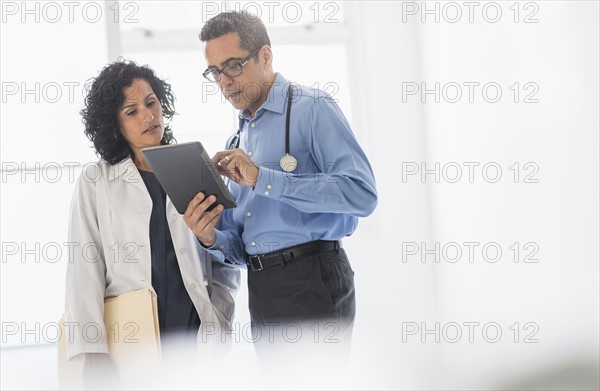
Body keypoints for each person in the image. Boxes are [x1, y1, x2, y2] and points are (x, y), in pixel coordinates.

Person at [184, 10, 377, 358]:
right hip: (263, 289)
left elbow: (361, 195)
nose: (224, 81)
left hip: (312, 276)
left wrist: (264, 178)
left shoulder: (312, 108)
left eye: (232, 65)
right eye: (214, 72)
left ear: (265, 56)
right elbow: (240, 248)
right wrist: (210, 236)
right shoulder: (237, 140)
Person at [64, 60, 240, 388]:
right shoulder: (96, 181)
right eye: (131, 111)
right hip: (131, 337)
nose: (148, 116)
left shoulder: (195, 167)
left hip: (193, 332)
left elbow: (226, 253)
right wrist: (92, 350)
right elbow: (83, 269)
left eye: (151, 102)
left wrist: (220, 314)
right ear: (115, 124)